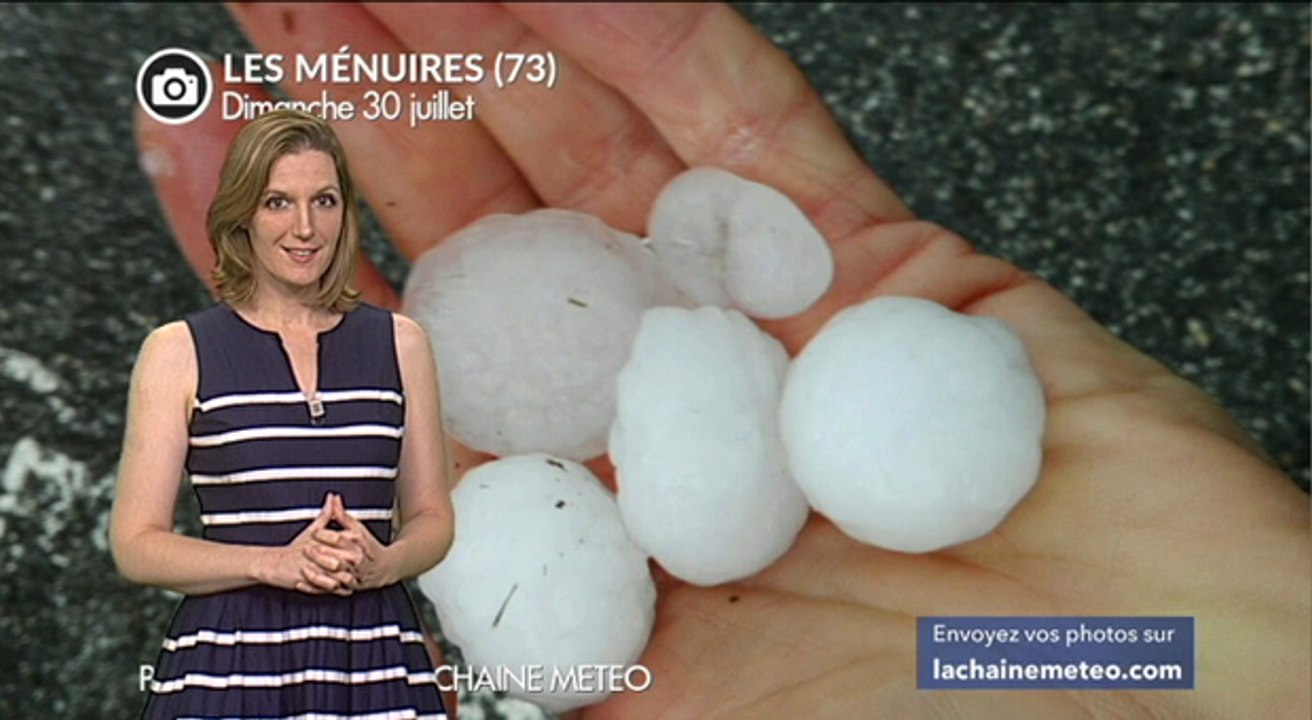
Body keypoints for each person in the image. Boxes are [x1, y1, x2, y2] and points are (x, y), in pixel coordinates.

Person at [134, 4, 1310, 718]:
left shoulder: (1137, 648)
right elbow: (1136, 659)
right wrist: (1152, 659)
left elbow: (1128, 658)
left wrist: (1158, 661)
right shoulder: (1148, 654)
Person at [111, 108, 454, 719]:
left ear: (346, 213)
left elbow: (431, 517)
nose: (304, 227)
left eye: (323, 201)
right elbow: (136, 545)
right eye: (278, 202)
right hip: (229, 666)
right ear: (243, 215)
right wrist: (270, 563)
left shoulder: (401, 344)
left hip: (375, 661)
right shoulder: (178, 351)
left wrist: (385, 563)